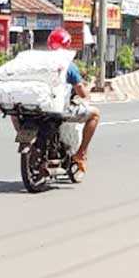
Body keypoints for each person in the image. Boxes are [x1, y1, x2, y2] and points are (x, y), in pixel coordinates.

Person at [47, 28, 101, 172]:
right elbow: (82, 93)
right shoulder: (68, 66)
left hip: (35, 108)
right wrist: (88, 90)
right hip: (57, 109)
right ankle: (80, 154)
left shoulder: (40, 62)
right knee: (95, 114)